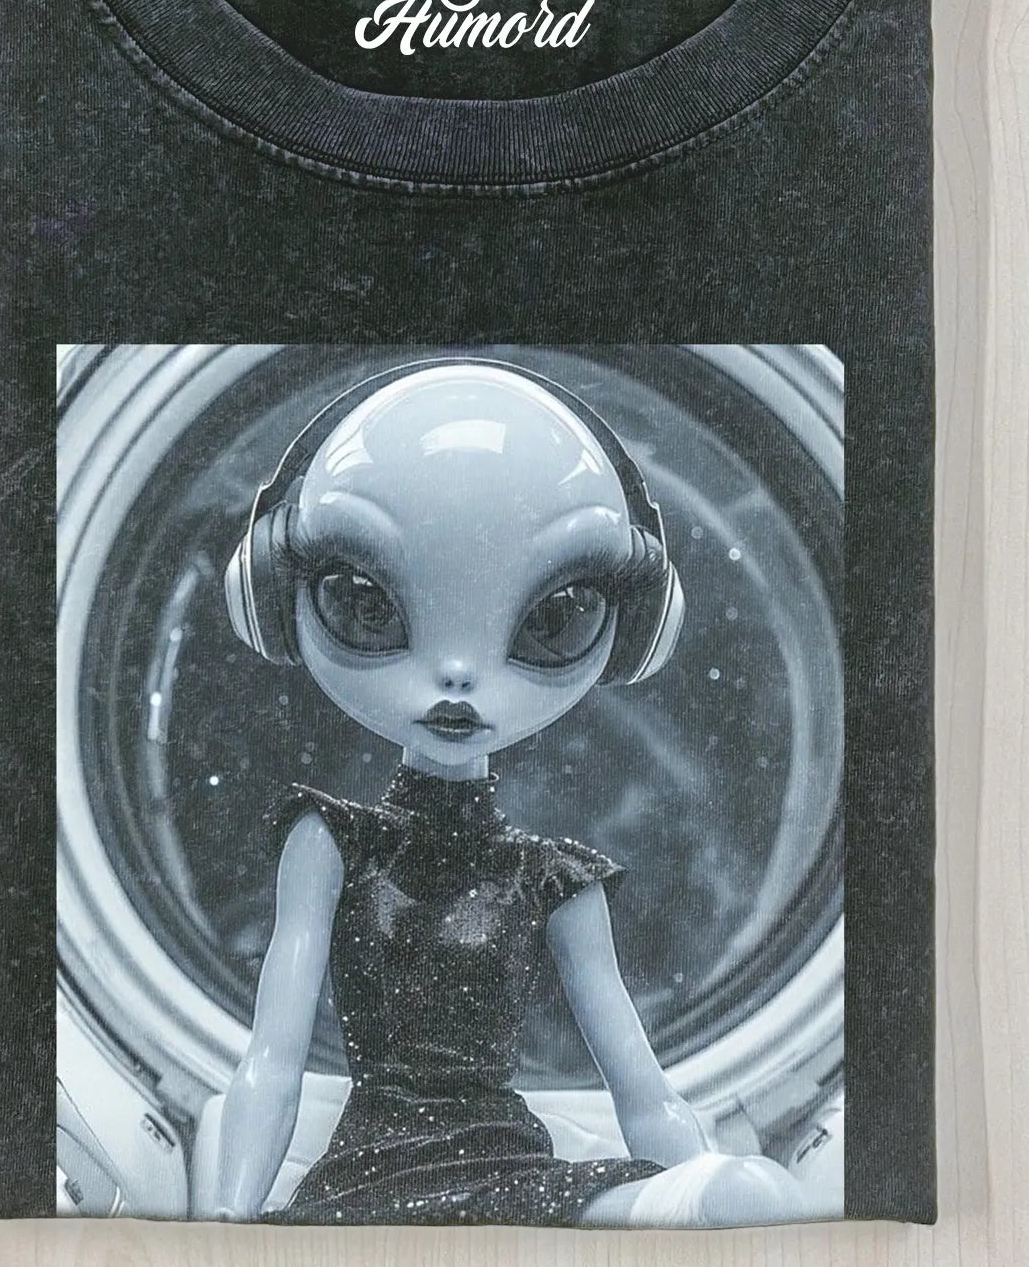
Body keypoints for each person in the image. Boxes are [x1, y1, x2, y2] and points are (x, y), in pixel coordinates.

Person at [205, 358, 805, 1227]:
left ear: (636, 629)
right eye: (366, 606)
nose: (456, 676)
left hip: (511, 1172)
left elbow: (645, 1094)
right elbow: (273, 1060)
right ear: (271, 592)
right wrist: (228, 1222)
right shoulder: (332, 841)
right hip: (368, 1182)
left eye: (553, 622)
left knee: (748, 1193)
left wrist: (700, 1192)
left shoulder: (555, 879)